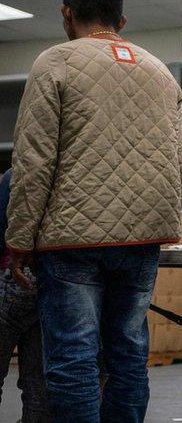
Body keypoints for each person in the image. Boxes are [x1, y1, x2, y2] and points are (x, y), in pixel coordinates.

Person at [5, 0, 182, 422]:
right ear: (121, 19)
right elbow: (178, 163)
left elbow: (34, 161)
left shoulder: (56, 61)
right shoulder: (160, 71)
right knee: (127, 357)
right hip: (141, 241)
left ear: (67, 14)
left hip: (73, 241)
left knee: (74, 362)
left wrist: (20, 238)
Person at [0, 168, 49, 423]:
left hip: (11, 279)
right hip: (51, 282)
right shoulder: (70, 176)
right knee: (37, 385)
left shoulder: (14, 176)